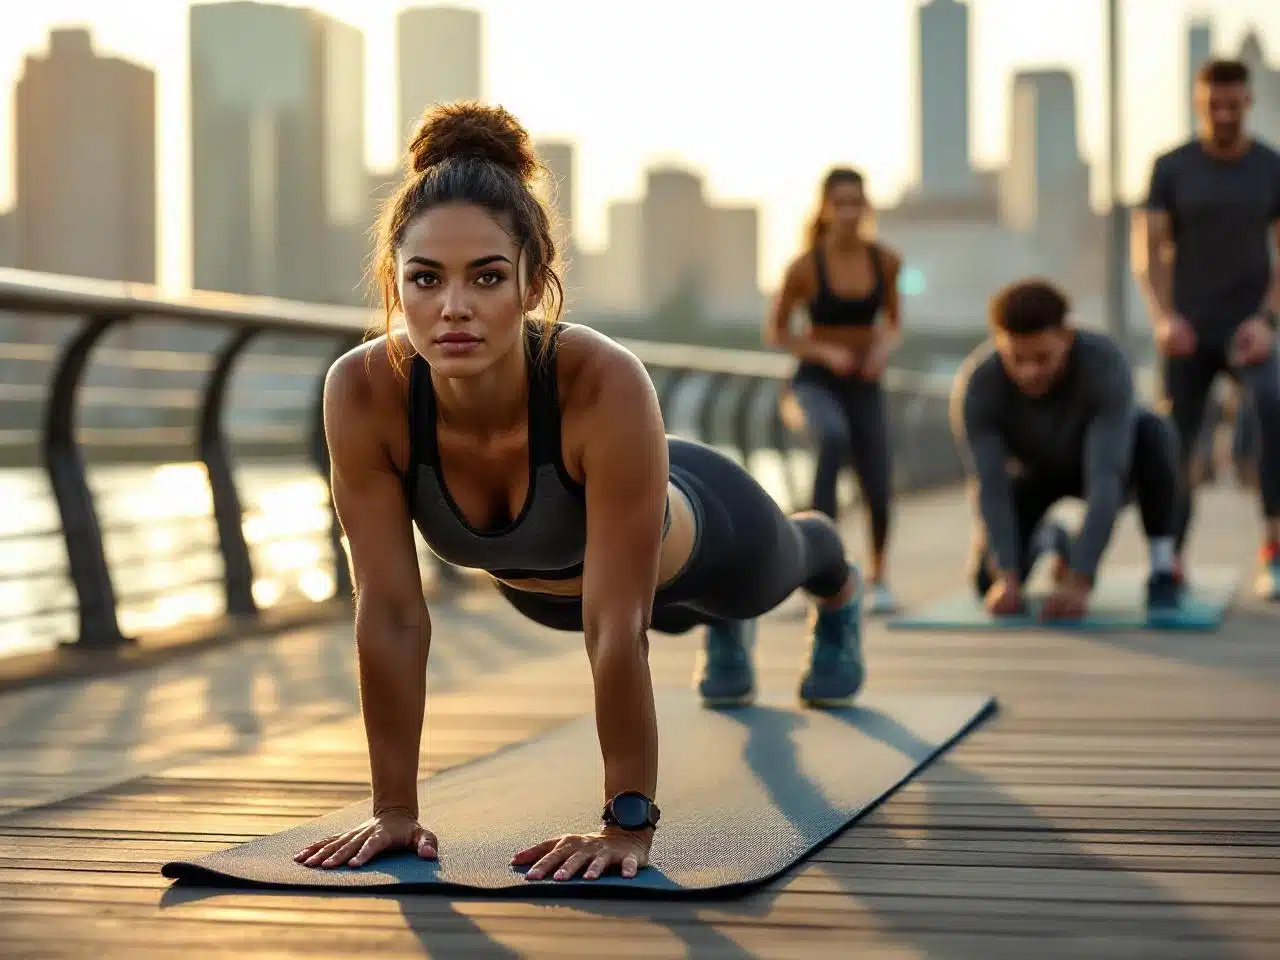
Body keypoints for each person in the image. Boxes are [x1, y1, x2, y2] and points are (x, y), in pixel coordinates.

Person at [295, 102, 866, 883]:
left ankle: (837, 592)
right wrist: (394, 810)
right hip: (545, 593)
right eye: (425, 278)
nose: (453, 307)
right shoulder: (362, 390)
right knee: (647, 617)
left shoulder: (602, 379)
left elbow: (616, 624)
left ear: (535, 282)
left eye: (487, 277)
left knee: (783, 565)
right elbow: (391, 613)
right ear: (394, 283)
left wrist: (626, 822)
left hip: (699, 543)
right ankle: (718, 633)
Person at [950, 279, 1184, 620]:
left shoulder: (1104, 361)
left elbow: (1107, 475)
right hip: (1032, 475)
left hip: (1101, 464)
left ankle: (1163, 565)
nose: (1029, 372)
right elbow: (989, 484)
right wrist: (1007, 576)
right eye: (1017, 358)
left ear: (1066, 338)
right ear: (998, 344)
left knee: (1155, 432)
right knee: (987, 583)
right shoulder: (978, 384)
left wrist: (1080, 579)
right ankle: (1052, 540)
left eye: (1042, 358)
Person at [1133, 57, 1280, 597]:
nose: (1223, 112)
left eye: (1232, 102)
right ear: (1198, 103)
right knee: (1175, 442)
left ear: (1248, 101)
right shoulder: (1171, 168)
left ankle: (1274, 550)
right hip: (1188, 328)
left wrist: (1266, 320)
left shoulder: (1270, 166)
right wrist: (1164, 318)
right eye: (1212, 103)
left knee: (1273, 407)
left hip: (1250, 327)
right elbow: (1149, 249)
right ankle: (1170, 558)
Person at [764, 167, 903, 617]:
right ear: (824, 208)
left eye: (855, 203)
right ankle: (821, 565)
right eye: (839, 202)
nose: (848, 212)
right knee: (832, 437)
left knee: (877, 476)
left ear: (866, 208)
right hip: (816, 381)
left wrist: (881, 348)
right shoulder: (805, 266)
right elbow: (778, 331)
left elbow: (894, 323)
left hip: (865, 382)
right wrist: (824, 352)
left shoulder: (885, 261)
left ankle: (880, 578)